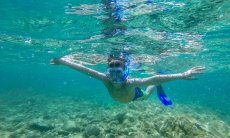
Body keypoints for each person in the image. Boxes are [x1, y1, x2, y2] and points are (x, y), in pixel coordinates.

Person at [50, 53, 205, 103]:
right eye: (112, 73)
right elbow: (84, 69)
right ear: (107, 73)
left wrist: (182, 75)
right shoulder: (105, 79)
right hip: (126, 98)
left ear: (125, 73)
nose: (115, 78)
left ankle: (155, 91)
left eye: (119, 73)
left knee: (147, 95)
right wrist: (64, 62)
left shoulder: (131, 83)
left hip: (135, 96)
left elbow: (155, 78)